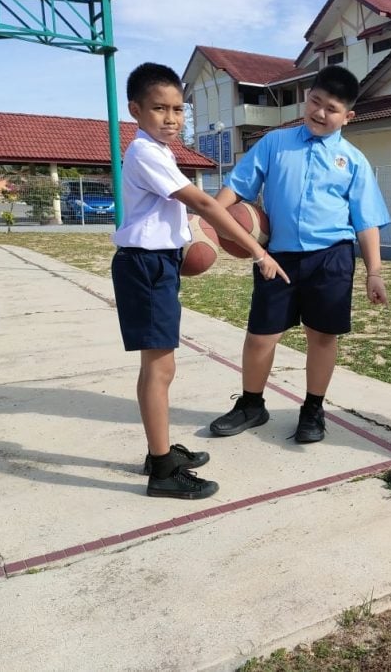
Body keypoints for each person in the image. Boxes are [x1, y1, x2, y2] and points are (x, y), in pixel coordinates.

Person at [112, 62, 288, 499]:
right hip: (145, 266)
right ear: (135, 110)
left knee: (160, 366)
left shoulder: (158, 151)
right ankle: (162, 470)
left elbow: (173, 212)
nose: (171, 118)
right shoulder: (145, 153)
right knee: (159, 368)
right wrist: (258, 251)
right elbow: (207, 205)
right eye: (160, 108)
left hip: (156, 264)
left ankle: (160, 452)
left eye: (178, 110)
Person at [209, 65, 390, 444]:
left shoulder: (353, 161)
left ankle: (313, 410)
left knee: (322, 337)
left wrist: (374, 271)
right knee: (261, 336)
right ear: (307, 98)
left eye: (332, 109)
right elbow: (237, 187)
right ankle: (251, 405)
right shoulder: (275, 143)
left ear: (348, 116)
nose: (320, 113)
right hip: (277, 257)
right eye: (315, 102)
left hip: (331, 258)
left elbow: (366, 221)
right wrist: (208, 219)